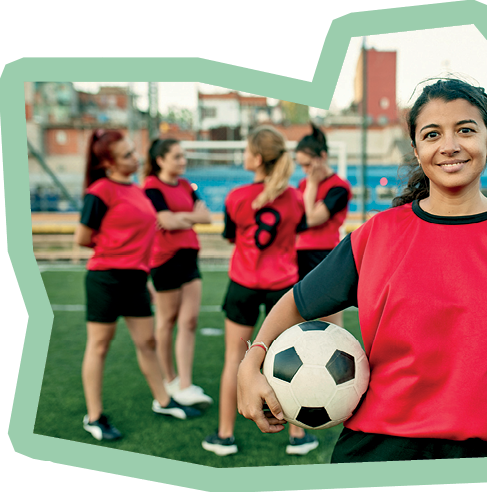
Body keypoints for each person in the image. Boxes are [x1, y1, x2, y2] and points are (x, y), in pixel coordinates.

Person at [236, 78, 487, 463]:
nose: (450, 146)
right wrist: (251, 361)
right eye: (432, 134)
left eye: (465, 130)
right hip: (375, 452)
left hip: (476, 458)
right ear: (417, 148)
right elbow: (295, 303)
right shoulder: (379, 234)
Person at [75, 130, 200, 442]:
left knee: (147, 343)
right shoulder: (100, 191)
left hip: (136, 279)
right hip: (106, 278)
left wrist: (141, 274)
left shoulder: (138, 191)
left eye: (134, 151)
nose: (136, 158)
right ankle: (94, 416)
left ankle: (164, 400)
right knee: (99, 346)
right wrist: (114, 251)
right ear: (108, 162)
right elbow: (82, 238)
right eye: (128, 155)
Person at [202, 126, 319, 457]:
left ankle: (225, 436)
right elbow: (299, 228)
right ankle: (297, 435)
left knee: (233, 360)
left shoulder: (236, 197)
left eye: (246, 150)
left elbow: (229, 236)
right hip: (282, 288)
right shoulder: (294, 197)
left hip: (243, 284)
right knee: (291, 359)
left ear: (256, 158)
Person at [143, 139, 213, 409]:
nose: (183, 161)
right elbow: (165, 221)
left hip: (189, 256)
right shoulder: (151, 186)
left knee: (190, 321)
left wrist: (179, 218)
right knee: (167, 321)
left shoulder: (185, 185)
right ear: (160, 160)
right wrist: (187, 217)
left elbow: (206, 217)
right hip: (164, 259)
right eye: (177, 157)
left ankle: (185, 383)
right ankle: (169, 379)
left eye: (183, 156)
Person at [294, 124, 351, 326]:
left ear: (323, 156)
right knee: (298, 318)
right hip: (299, 254)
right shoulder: (301, 185)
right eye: (301, 165)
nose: (305, 171)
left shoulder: (339, 187)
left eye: (308, 164)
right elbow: (300, 222)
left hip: (326, 254)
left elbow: (311, 219)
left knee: (330, 320)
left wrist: (312, 186)